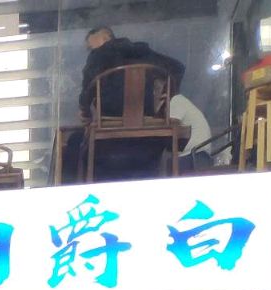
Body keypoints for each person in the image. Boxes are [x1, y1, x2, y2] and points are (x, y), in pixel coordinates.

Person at [61, 26, 188, 182]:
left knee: (75, 142)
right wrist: (164, 101)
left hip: (109, 135)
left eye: (91, 46)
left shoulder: (97, 56)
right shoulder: (144, 53)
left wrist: (85, 111)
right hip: (147, 134)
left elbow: (87, 90)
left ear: (106, 38)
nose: (90, 50)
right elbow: (177, 68)